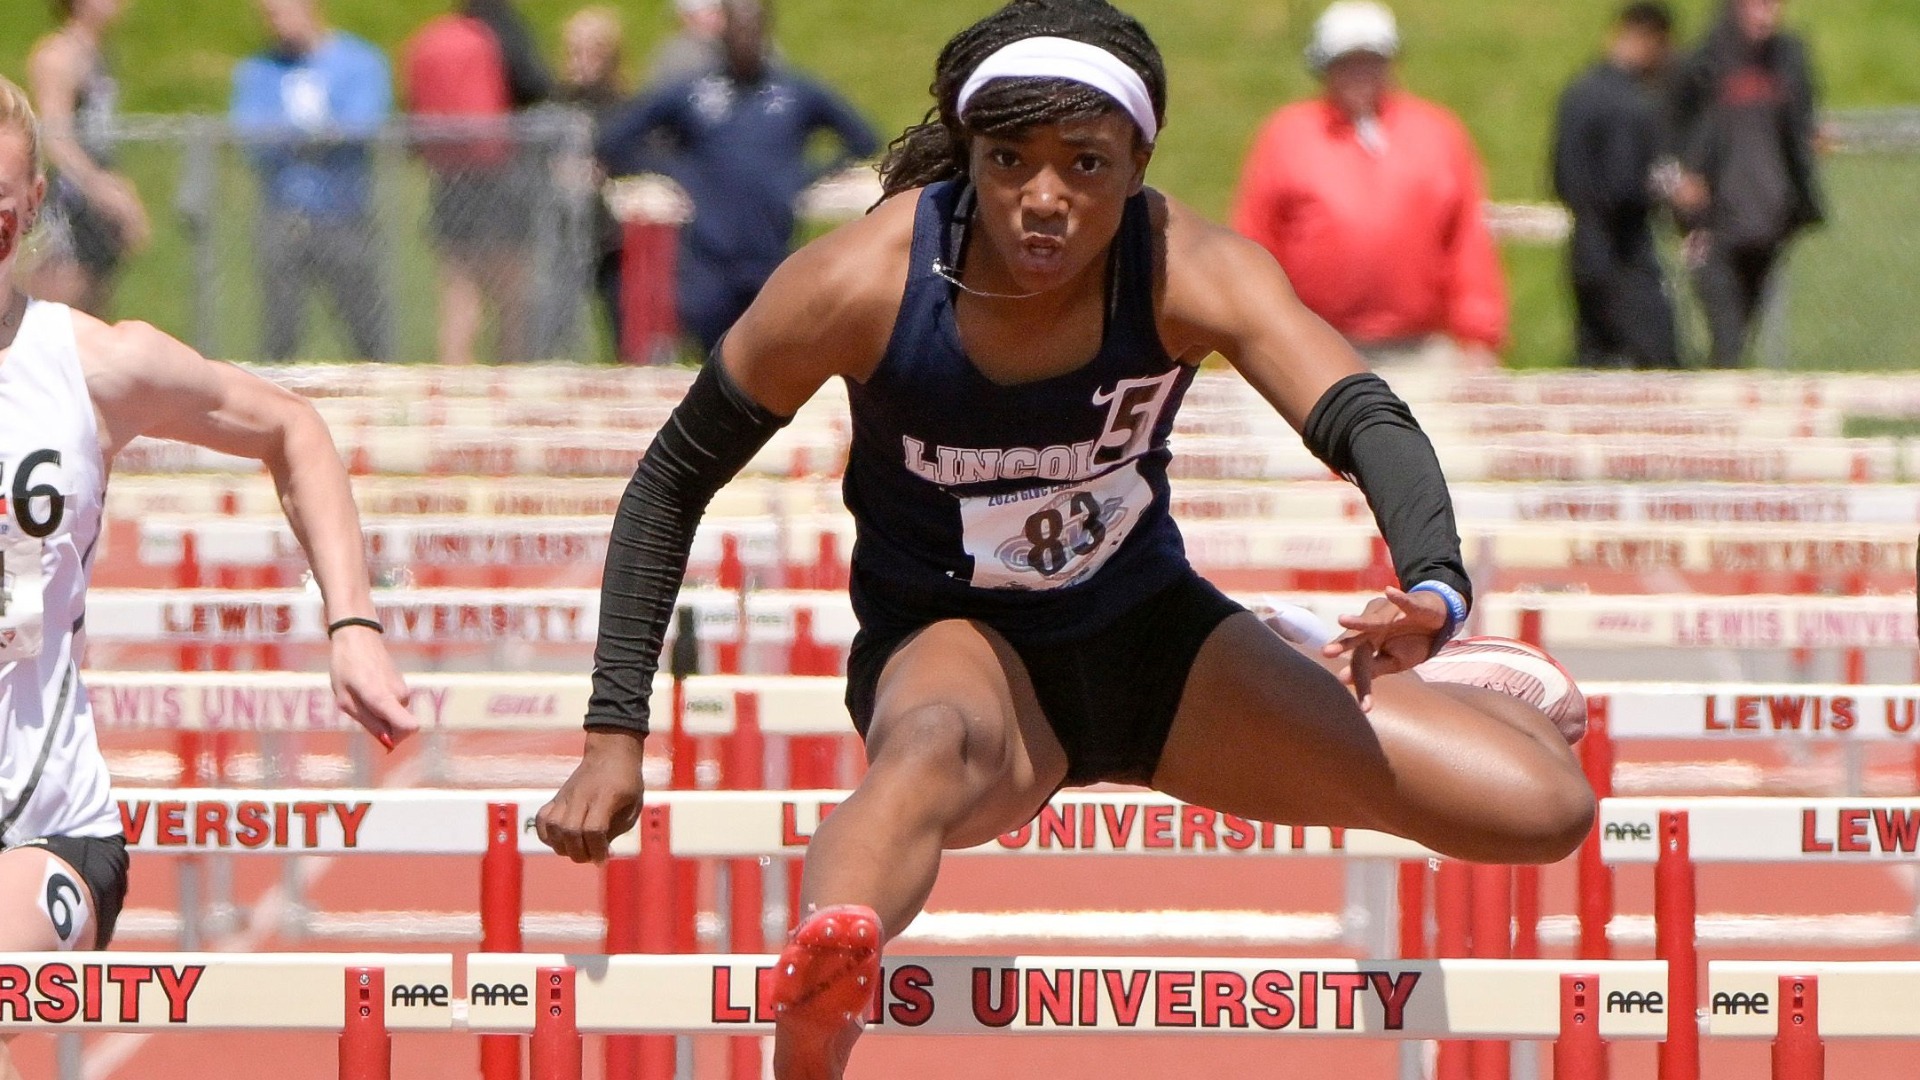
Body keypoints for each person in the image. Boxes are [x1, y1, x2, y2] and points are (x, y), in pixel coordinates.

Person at [538, 2, 1594, 1076]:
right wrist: (614, 733)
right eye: (1009, 162)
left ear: (1138, 164)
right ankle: (822, 996)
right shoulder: (860, 281)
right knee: (927, 745)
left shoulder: (1188, 265)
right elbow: (671, 479)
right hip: (955, 642)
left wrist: (1435, 587)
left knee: (1544, 810)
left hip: (1152, 640)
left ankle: (1419, 672)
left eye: (1085, 166)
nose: (1043, 201)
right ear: (971, 154)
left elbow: (1361, 412)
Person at [0, 76, 414, 1080]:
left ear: (36, 204)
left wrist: (352, 624)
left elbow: (292, 429)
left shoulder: (90, 366)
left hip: (41, 824)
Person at [1231, 1, 1507, 376]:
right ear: (1324, 67)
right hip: (1313, 348)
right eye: (1347, 62)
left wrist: (1478, 335)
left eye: (1372, 61)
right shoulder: (1286, 137)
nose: (1361, 74)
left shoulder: (1438, 134)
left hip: (1421, 351)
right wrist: (1241, 336)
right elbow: (1255, 243)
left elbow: (1466, 241)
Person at [596, 0, 879, 354]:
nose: (746, 36)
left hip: (771, 254)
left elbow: (863, 137)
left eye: (753, 26)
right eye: (737, 27)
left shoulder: (793, 94)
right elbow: (616, 139)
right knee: (713, 362)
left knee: (769, 359)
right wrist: (673, 170)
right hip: (708, 260)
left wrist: (808, 175)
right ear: (722, 32)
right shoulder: (694, 94)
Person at [230, 0, 393, 362]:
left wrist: (295, 134)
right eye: (268, 16)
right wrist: (314, 133)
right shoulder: (259, 70)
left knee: (367, 327)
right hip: (284, 214)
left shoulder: (358, 61)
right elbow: (250, 135)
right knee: (280, 331)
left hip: (344, 215)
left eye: (281, 12)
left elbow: (361, 126)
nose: (275, 24)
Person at [1667, 0, 1824, 368]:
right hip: (1710, 222)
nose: (1766, 14)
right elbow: (1665, 132)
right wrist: (1680, 182)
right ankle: (1714, 409)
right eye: (1757, 5)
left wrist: (1809, 143)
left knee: (1741, 334)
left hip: (1767, 220)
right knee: (1727, 335)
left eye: (1774, 5)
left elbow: (1801, 121)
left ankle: (1720, 397)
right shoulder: (1701, 62)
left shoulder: (1788, 58)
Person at [403, 3, 546, 365]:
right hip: (500, 175)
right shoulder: (502, 27)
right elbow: (534, 84)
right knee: (512, 290)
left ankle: (455, 374)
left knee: (458, 287)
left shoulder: (438, 34)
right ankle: (512, 372)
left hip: (449, 178)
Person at [1552, 2, 1680, 370]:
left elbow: (1559, 175)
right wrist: (1663, 191)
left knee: (1593, 366)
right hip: (1625, 258)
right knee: (1661, 370)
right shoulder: (1630, 104)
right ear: (1649, 40)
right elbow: (1623, 187)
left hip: (1583, 253)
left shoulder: (1576, 94)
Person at [24, 0, 149, 317]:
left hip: (96, 195)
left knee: (96, 307)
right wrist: (101, 190)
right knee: (59, 305)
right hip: (71, 197)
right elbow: (56, 137)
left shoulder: (98, 54)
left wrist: (120, 190)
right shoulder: (59, 55)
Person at [556, 6, 631, 359]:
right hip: (562, 232)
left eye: (592, 50)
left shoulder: (623, 106)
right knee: (555, 327)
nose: (582, 60)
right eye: (575, 50)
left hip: (611, 234)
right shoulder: (557, 104)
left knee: (624, 324)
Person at [646, 0, 727, 88]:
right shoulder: (677, 56)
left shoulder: (731, 47)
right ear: (685, 17)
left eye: (716, 12)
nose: (713, 19)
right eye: (707, 13)